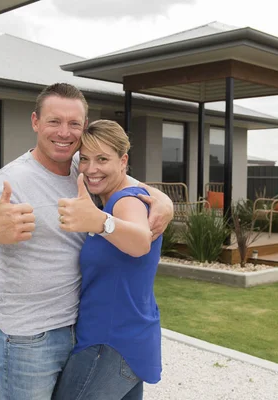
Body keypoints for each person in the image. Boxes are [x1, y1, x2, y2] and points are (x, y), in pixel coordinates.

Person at [0, 83, 173, 400]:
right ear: (35, 122)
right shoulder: (10, 182)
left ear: (84, 127)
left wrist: (163, 202)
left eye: (74, 123)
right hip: (30, 337)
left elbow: (128, 186)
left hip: (81, 328)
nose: (64, 132)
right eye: (54, 121)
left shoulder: (83, 167)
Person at [53, 120, 162, 400]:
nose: (91, 169)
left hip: (110, 344)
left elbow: (140, 242)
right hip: (123, 340)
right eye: (85, 159)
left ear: (123, 160)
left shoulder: (126, 202)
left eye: (102, 159)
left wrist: (100, 221)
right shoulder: (115, 201)